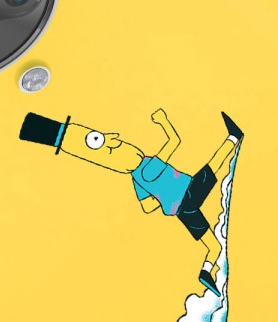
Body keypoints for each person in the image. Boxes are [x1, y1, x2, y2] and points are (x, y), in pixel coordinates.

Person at [19, 108, 243, 297]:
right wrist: (163, 121)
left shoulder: (137, 181)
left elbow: (147, 207)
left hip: (180, 210)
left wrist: (164, 200)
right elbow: (175, 140)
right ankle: (233, 137)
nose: (124, 144)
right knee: (213, 165)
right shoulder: (150, 164)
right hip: (190, 193)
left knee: (213, 246)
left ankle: (206, 272)